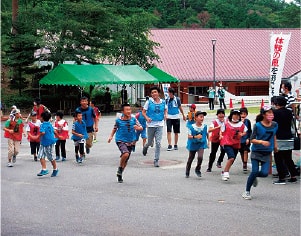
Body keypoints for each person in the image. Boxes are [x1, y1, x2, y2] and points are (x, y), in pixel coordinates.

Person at [242, 106, 278, 200]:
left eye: (272, 113)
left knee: (265, 173)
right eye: (268, 112)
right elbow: (252, 139)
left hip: (267, 152)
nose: (271, 114)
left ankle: (253, 177)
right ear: (263, 115)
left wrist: (275, 146)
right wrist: (261, 142)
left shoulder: (275, 124)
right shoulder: (257, 125)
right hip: (256, 151)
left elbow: (274, 136)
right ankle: (247, 191)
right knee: (254, 171)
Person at [108, 104, 143, 183]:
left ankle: (120, 174)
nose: (128, 111)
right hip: (120, 140)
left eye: (129, 110)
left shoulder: (134, 119)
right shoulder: (118, 120)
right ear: (122, 111)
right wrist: (111, 136)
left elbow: (141, 127)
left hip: (130, 141)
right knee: (126, 153)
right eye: (126, 110)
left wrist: (138, 128)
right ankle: (120, 168)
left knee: (126, 161)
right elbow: (114, 128)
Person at [273, 96, 298, 184]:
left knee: (278, 158)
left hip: (279, 138)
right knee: (288, 158)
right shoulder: (289, 112)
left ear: (277, 104)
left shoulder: (275, 113)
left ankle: (282, 177)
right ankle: (293, 176)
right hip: (289, 137)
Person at [142, 86, 167, 167]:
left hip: (160, 124)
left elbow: (165, 109)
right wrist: (147, 118)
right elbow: (143, 112)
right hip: (151, 124)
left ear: (158, 93)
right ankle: (146, 146)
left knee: (158, 143)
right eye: (152, 93)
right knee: (149, 142)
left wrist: (165, 115)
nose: (154, 94)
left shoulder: (163, 102)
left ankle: (156, 160)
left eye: (155, 92)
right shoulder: (149, 102)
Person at [220, 109, 247, 181]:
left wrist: (242, 134)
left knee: (232, 159)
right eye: (235, 114)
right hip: (227, 143)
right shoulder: (226, 123)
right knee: (231, 157)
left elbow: (245, 131)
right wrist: (221, 136)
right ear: (231, 115)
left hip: (236, 143)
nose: (236, 116)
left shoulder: (241, 124)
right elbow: (222, 131)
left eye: (238, 115)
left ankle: (224, 171)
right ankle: (226, 172)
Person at [35, 111, 59, 177]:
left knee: (50, 157)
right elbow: (54, 131)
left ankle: (55, 169)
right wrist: (58, 136)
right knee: (41, 155)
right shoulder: (49, 124)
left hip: (48, 143)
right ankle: (44, 169)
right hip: (44, 143)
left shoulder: (42, 125)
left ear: (42, 118)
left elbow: (43, 132)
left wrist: (37, 136)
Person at [185, 110, 208, 178]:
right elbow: (189, 136)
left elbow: (205, 134)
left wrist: (208, 141)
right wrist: (195, 137)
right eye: (200, 117)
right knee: (191, 158)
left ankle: (198, 169)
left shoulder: (204, 126)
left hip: (201, 144)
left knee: (200, 157)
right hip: (193, 143)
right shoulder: (191, 127)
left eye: (203, 117)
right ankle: (187, 170)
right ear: (196, 118)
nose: (202, 118)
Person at [239, 107, 252, 172]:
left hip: (246, 139)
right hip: (240, 140)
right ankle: (244, 162)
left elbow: (249, 131)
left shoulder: (248, 121)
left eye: (244, 114)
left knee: (245, 151)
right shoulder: (238, 122)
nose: (243, 115)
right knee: (241, 152)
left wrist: (248, 138)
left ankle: (245, 163)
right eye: (241, 114)